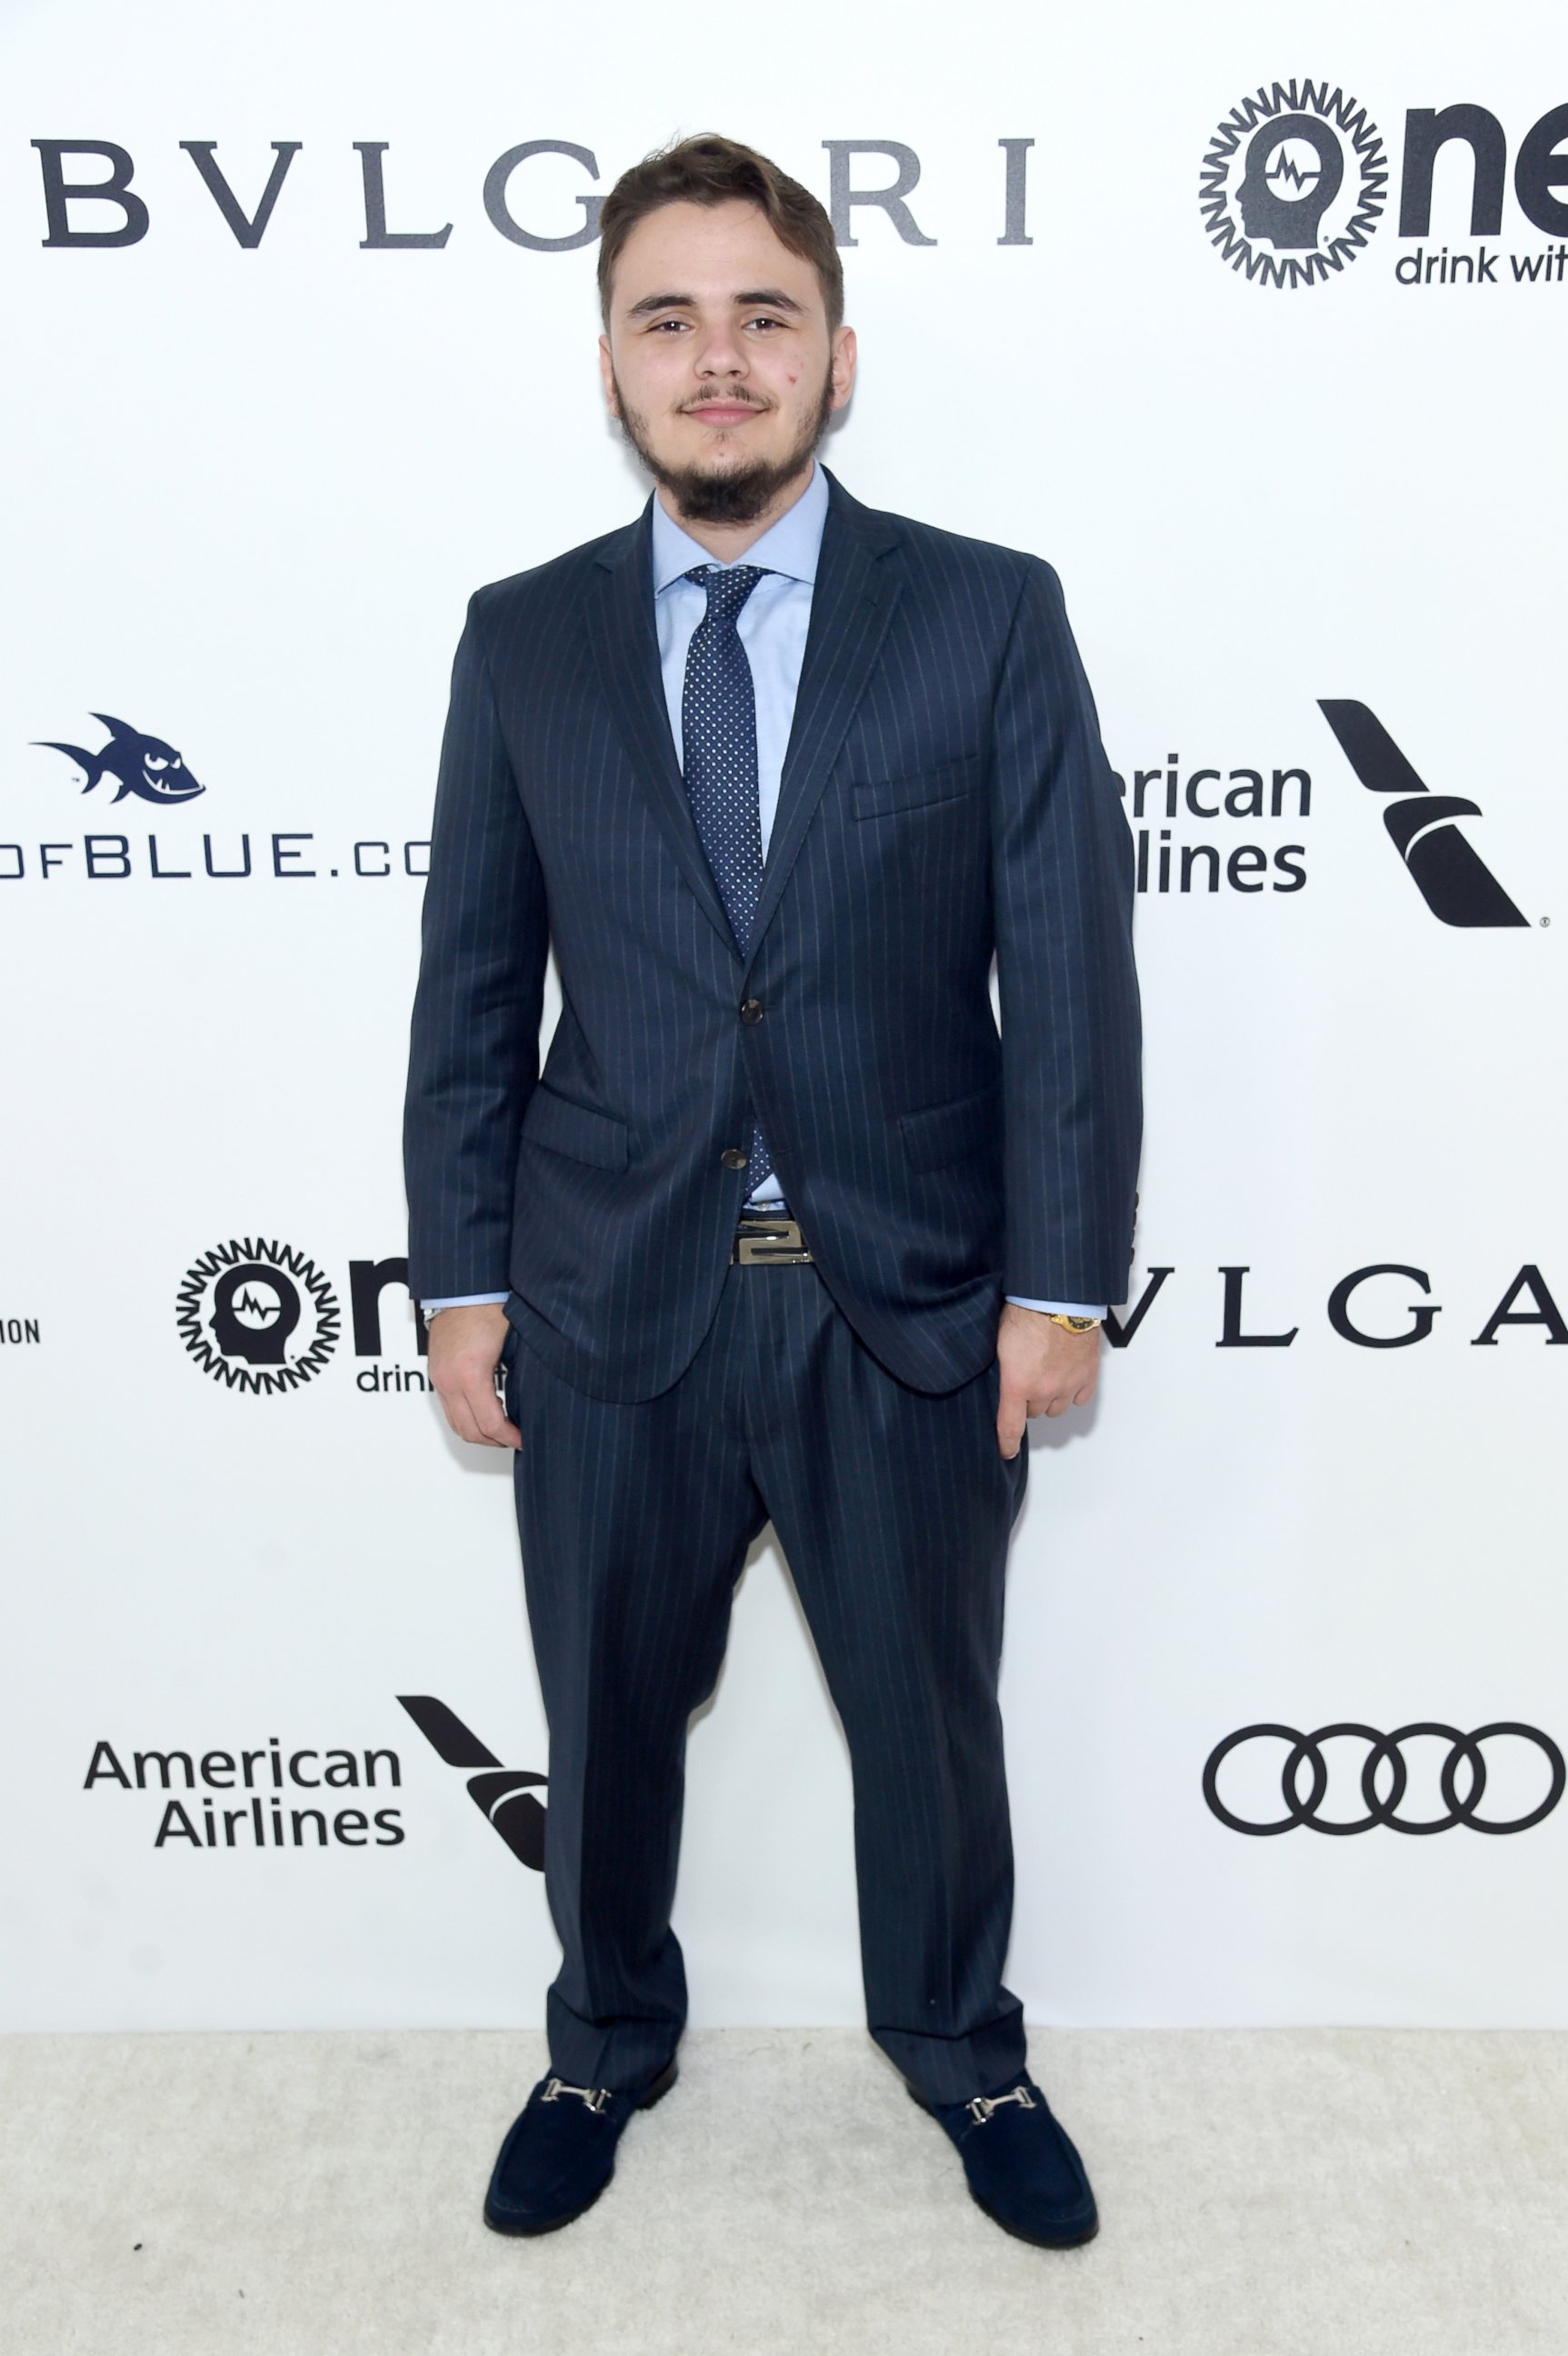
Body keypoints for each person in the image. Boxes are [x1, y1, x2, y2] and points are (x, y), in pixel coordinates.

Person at [404, 132, 1141, 2250]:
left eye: (761, 318)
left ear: (837, 359)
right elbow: (469, 982)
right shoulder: (519, 638)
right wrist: (461, 1277)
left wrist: (1059, 1281)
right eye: (668, 319)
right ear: (611, 366)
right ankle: (599, 2040)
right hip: (604, 1292)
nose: (715, 359)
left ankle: (961, 2053)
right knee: (605, 1719)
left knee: (928, 1728)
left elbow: (1066, 977)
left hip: (902, 1292)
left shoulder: (988, 615)